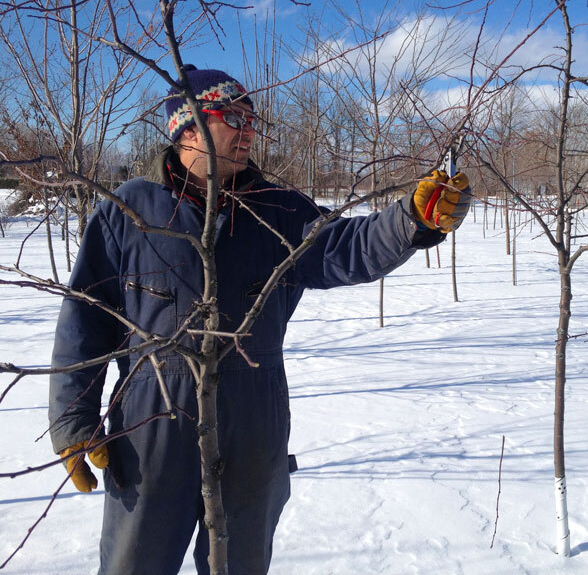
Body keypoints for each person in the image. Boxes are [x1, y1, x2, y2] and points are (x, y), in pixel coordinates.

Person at [49, 65, 471, 575]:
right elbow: (84, 319)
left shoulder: (277, 210)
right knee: (132, 564)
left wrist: (412, 221)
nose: (249, 128)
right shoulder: (128, 211)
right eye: (232, 116)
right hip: (152, 421)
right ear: (187, 128)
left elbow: (346, 247)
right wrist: (72, 419)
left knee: (241, 564)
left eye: (252, 117)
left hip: (253, 416)